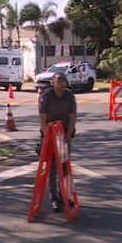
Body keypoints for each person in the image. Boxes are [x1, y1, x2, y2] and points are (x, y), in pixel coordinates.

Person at [39, 72, 77, 212]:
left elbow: (72, 117)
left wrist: (68, 135)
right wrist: (47, 136)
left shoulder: (69, 96)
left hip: (65, 134)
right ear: (53, 82)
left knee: (66, 168)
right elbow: (42, 118)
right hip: (50, 135)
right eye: (58, 80)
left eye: (63, 80)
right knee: (53, 168)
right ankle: (54, 198)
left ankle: (65, 196)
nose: (61, 83)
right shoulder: (46, 97)